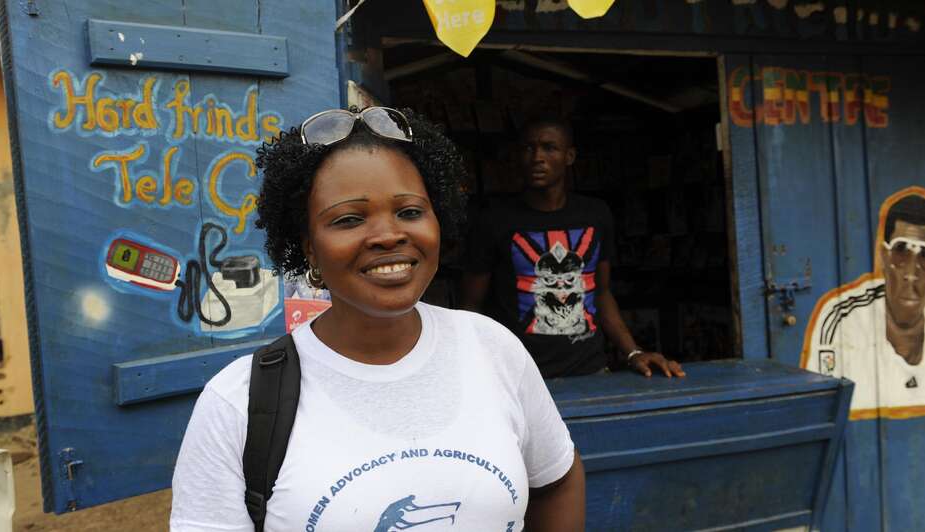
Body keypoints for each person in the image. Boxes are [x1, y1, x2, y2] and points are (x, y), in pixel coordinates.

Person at [170, 107, 585, 531]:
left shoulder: (491, 347)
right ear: (309, 248)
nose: (388, 235)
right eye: (349, 219)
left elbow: (557, 479)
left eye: (409, 212)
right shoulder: (240, 402)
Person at [460, 116, 686, 379]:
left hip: (590, 371)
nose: (537, 157)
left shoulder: (595, 214)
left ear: (569, 156)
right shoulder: (494, 219)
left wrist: (633, 352)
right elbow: (470, 305)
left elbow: (601, 292)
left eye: (549, 147)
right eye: (528, 148)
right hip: (520, 376)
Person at [804, 193, 925, 416]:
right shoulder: (841, 318)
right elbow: (819, 412)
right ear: (884, 257)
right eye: (901, 251)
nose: (911, 273)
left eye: (924, 255)